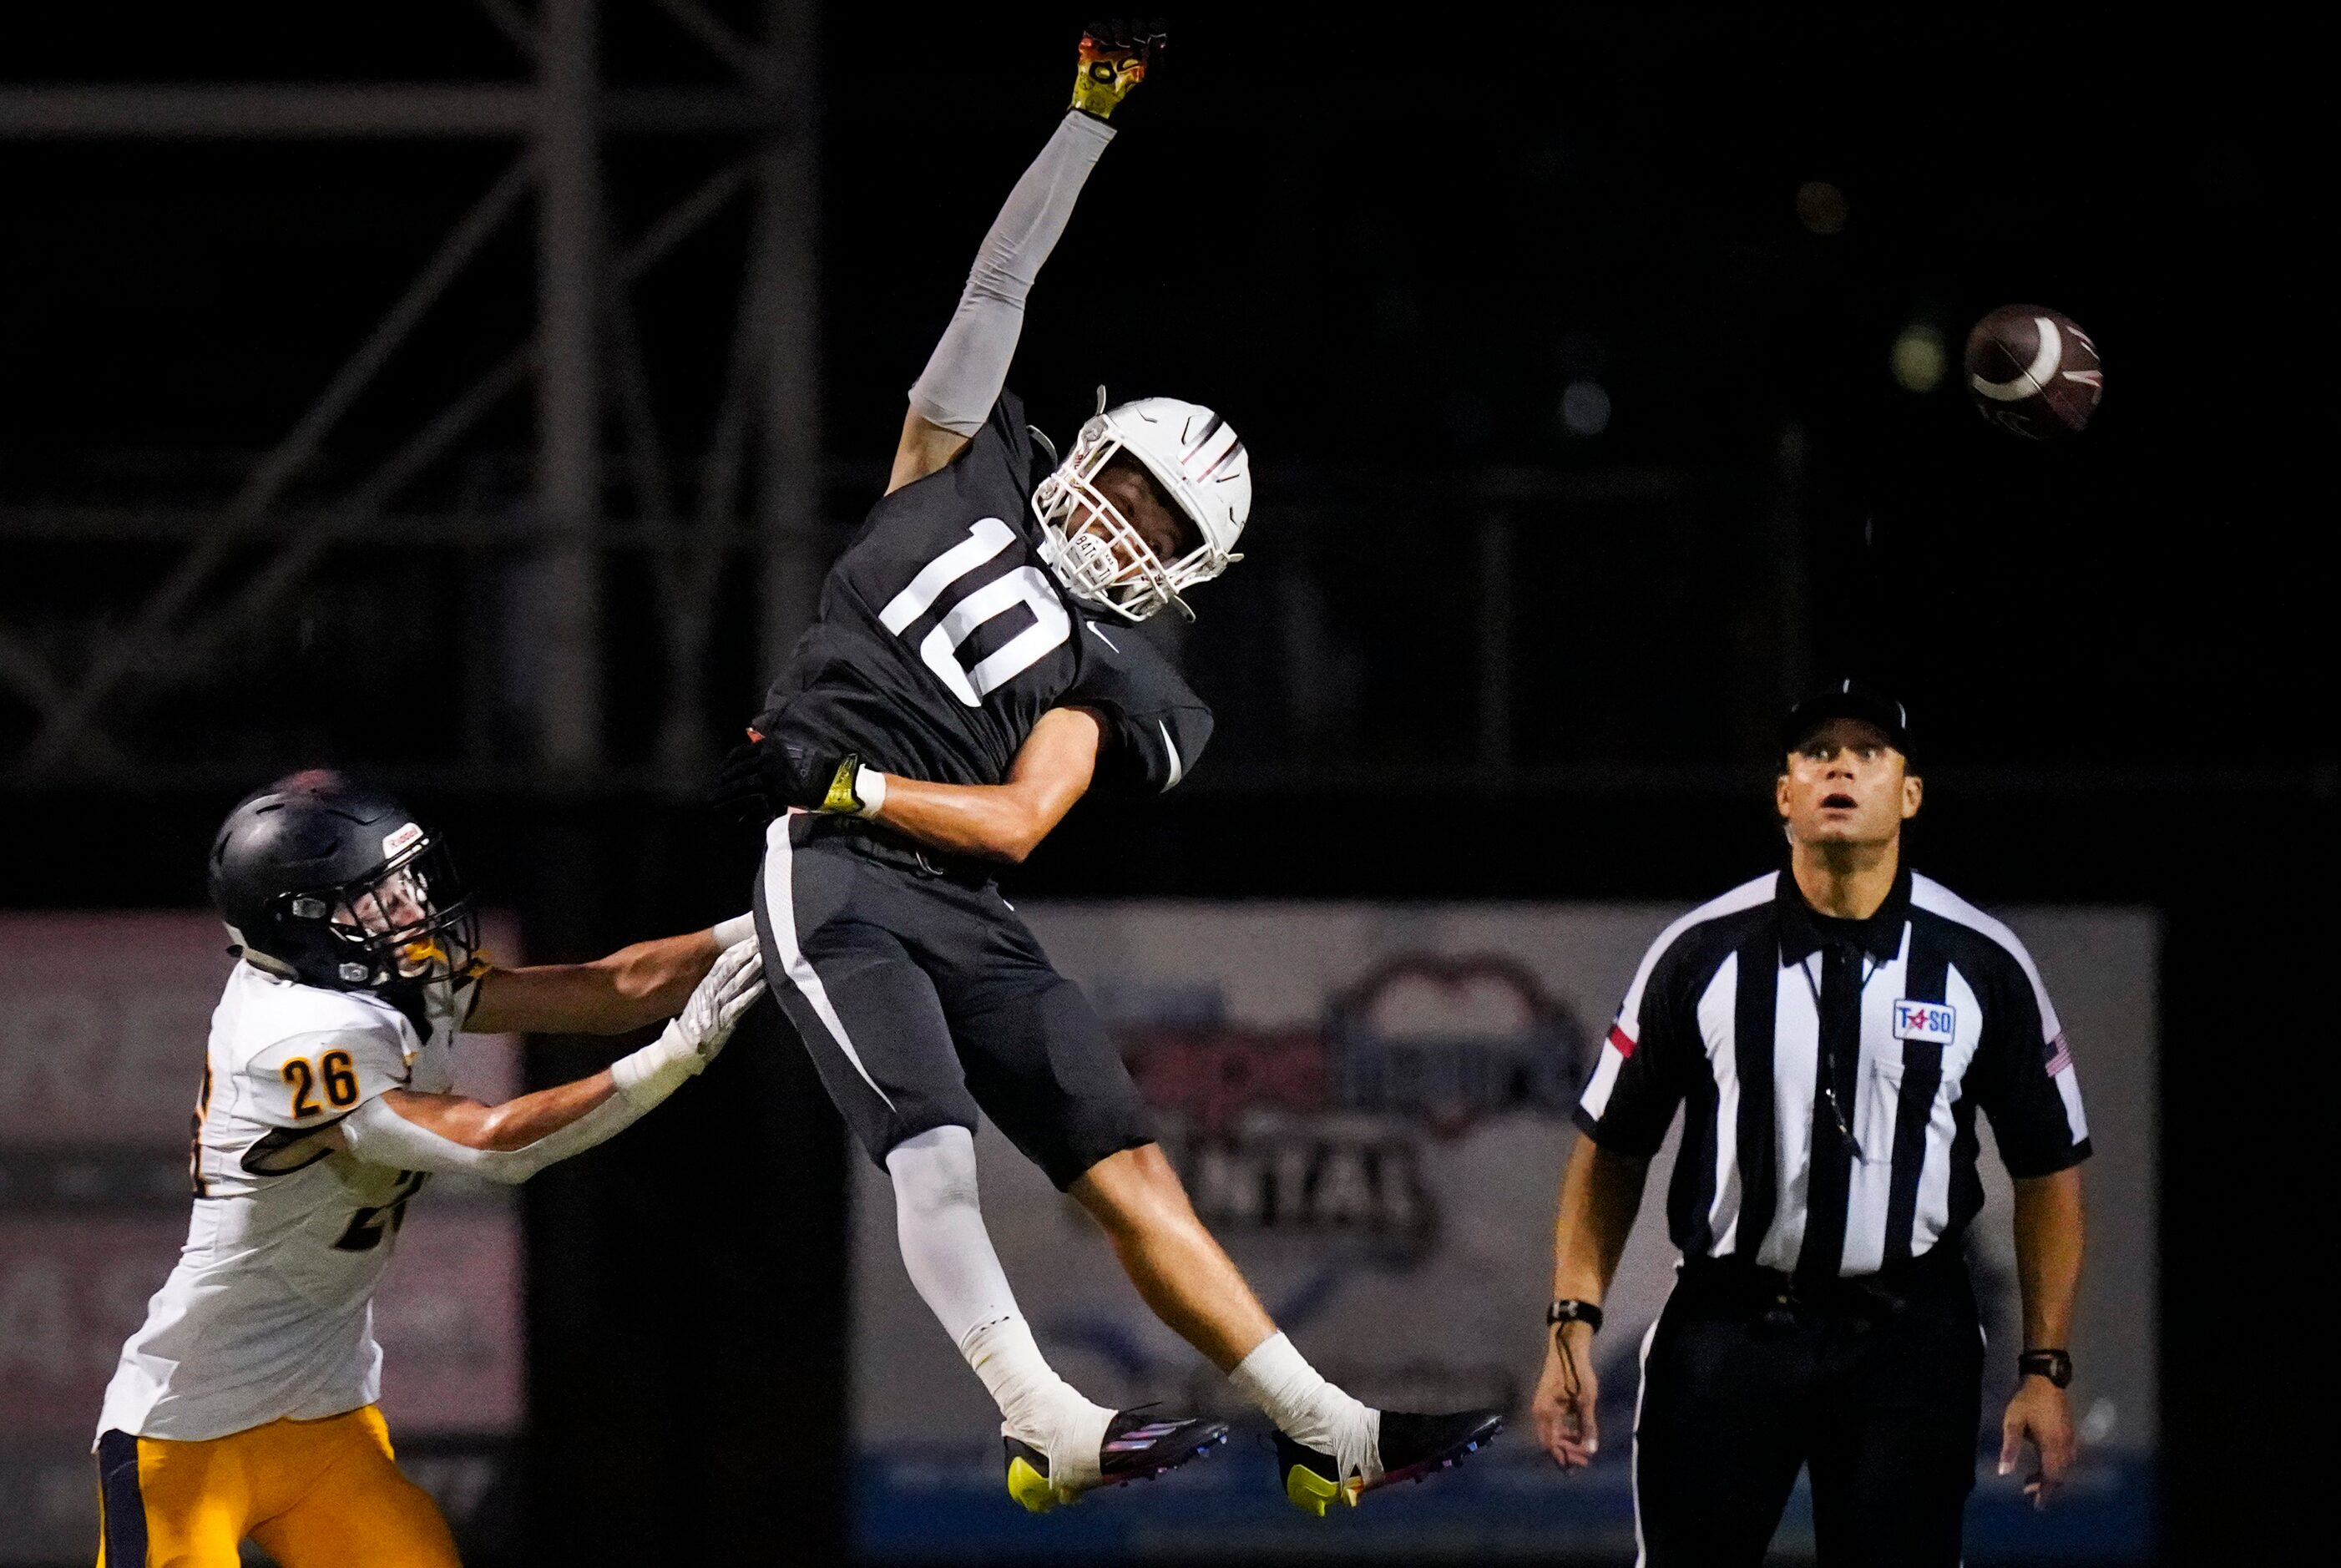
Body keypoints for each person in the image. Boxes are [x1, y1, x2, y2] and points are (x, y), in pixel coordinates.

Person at [712, 23, 1499, 1518]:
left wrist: (857, 788)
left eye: (1160, 522)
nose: (1125, 522)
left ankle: (1322, 1421)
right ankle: (1040, 1415)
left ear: (1192, 571)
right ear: (1085, 449)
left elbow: (1015, 821)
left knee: (1125, 1160)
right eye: (1126, 482)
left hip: (927, 866)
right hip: (826, 880)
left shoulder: (1113, 673)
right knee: (930, 1146)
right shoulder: (946, 472)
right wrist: (1086, 122)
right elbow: (996, 284)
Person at [93, 770, 766, 1568]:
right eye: (376, 899)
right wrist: (670, 1060)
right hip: (184, 1435)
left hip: (326, 1419)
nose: (411, 909)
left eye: (405, 880)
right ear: (304, 922)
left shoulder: (372, 973)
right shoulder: (294, 1036)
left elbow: (607, 987)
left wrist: (770, 925)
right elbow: (492, 1142)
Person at [1527, 684, 2091, 1565]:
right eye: (1813, 752)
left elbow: (2047, 1174)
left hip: (1906, 1334)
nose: (1838, 765)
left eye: (1868, 752)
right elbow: (1609, 1150)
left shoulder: (1979, 962)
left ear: (1908, 794)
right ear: (1782, 794)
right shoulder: (1700, 954)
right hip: (1728, 1325)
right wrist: (1571, 1330)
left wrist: (2043, 1368)